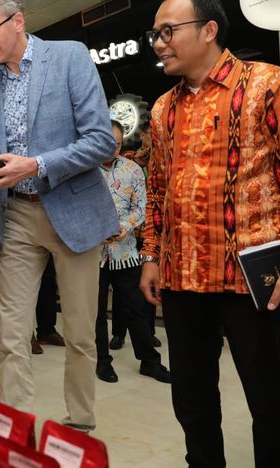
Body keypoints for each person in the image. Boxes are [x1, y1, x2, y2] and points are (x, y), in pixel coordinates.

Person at [140, 0, 280, 468]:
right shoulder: (163, 109)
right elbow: (157, 189)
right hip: (182, 278)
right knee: (192, 400)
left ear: (209, 30)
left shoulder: (271, 84)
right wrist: (151, 255)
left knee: (267, 396)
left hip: (249, 279)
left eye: (169, 32)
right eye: (155, 35)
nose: (159, 43)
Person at [0, 0, 119, 430]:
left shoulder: (70, 56)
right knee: (12, 333)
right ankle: (16, 429)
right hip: (16, 215)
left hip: (71, 208)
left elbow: (100, 141)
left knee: (78, 331)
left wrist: (37, 164)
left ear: (18, 21)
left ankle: (80, 422)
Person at [95, 118, 170, 384]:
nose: (112, 149)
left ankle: (150, 361)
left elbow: (142, 207)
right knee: (96, 312)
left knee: (136, 308)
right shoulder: (85, 170)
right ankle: (103, 362)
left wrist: (126, 226)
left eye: (116, 144)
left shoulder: (133, 169)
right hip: (93, 256)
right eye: (107, 144)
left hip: (125, 252)